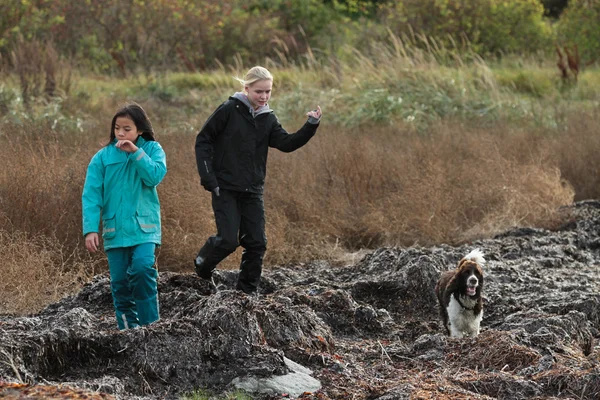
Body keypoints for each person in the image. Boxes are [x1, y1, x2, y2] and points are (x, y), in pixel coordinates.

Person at [194, 66, 322, 294]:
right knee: (228, 240)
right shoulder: (228, 109)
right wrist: (208, 177)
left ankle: (247, 293)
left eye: (268, 92)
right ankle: (203, 263)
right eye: (259, 92)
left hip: (253, 189)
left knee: (257, 243)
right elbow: (203, 140)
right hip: (225, 188)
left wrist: (310, 126)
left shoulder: (268, 118)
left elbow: (287, 143)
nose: (263, 97)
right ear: (247, 88)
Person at [82, 103, 167, 330]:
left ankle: (151, 328)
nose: (121, 133)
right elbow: (91, 194)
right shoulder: (102, 157)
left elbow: (154, 177)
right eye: (117, 128)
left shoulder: (152, 150)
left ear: (139, 130)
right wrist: (90, 229)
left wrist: (136, 153)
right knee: (119, 284)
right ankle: (128, 331)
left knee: (142, 270)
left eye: (127, 128)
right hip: (114, 230)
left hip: (144, 229)